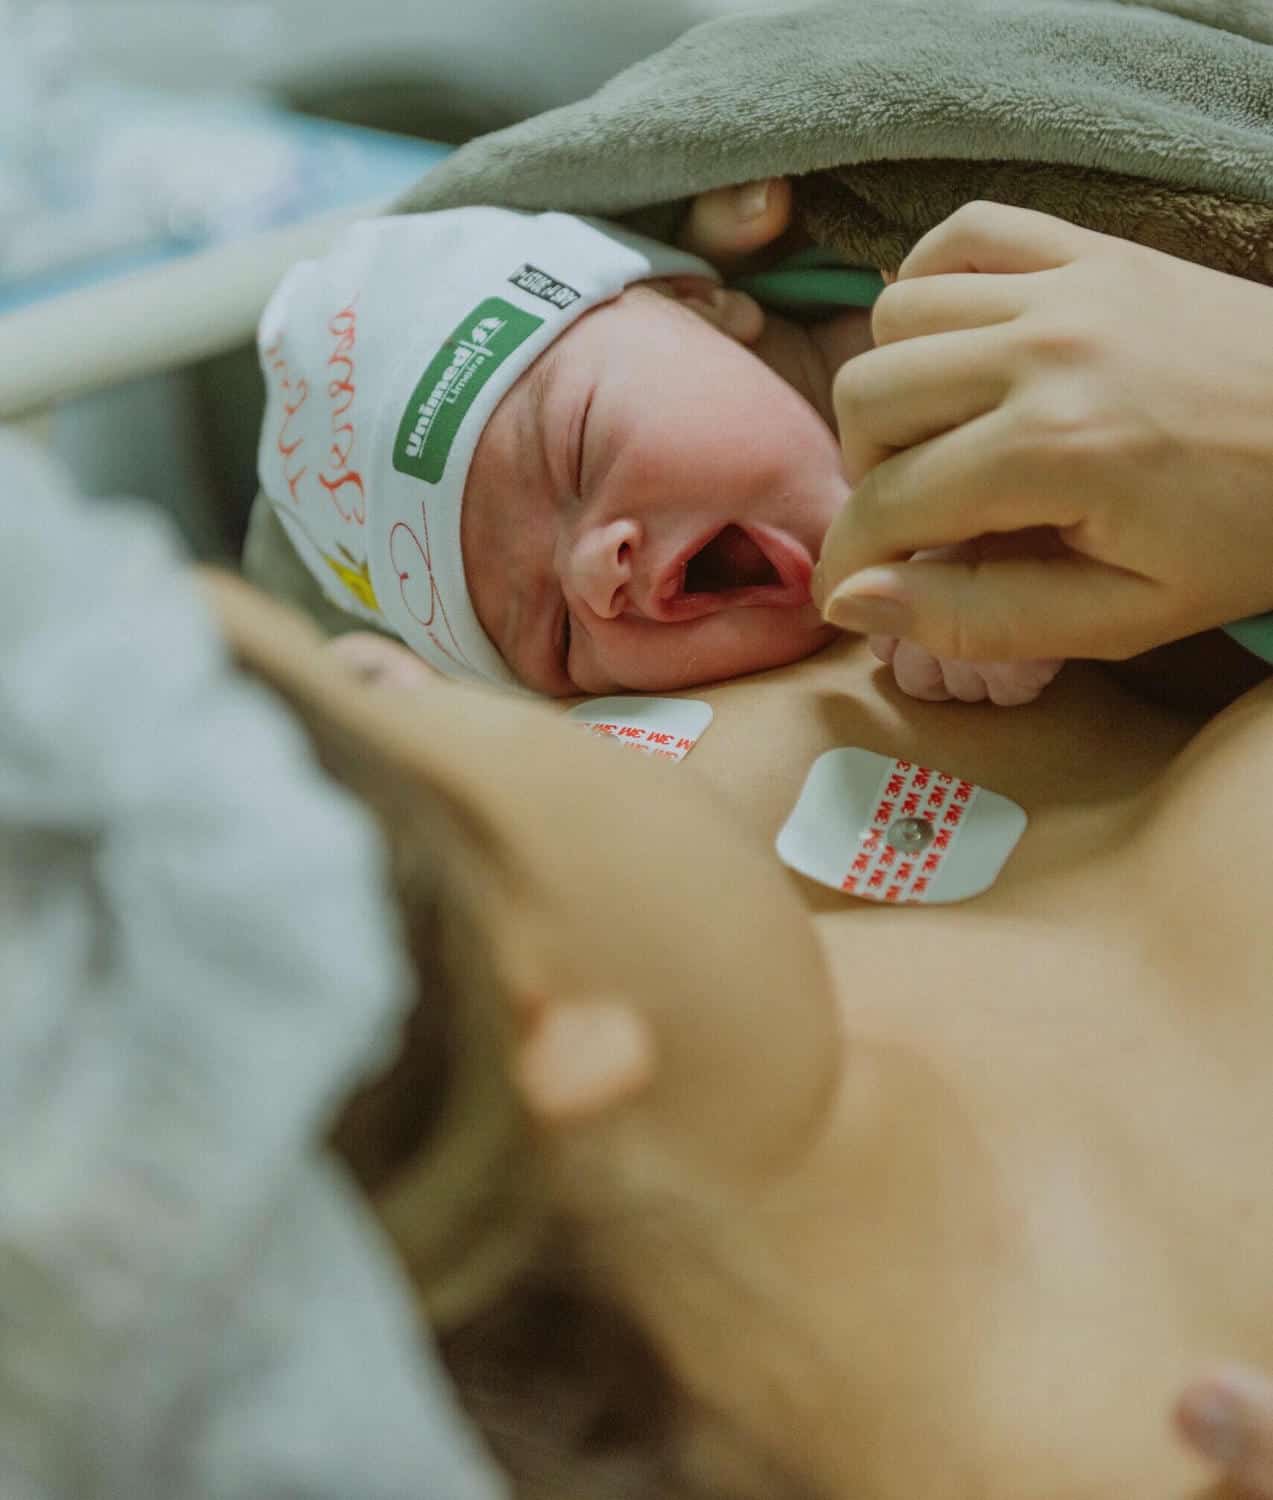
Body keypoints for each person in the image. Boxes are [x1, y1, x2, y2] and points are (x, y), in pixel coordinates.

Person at [212, 554, 1273, 1500]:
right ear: (535, 1013)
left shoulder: (705, 847)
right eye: (364, 691)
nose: (391, 656)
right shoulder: (1159, 1434)